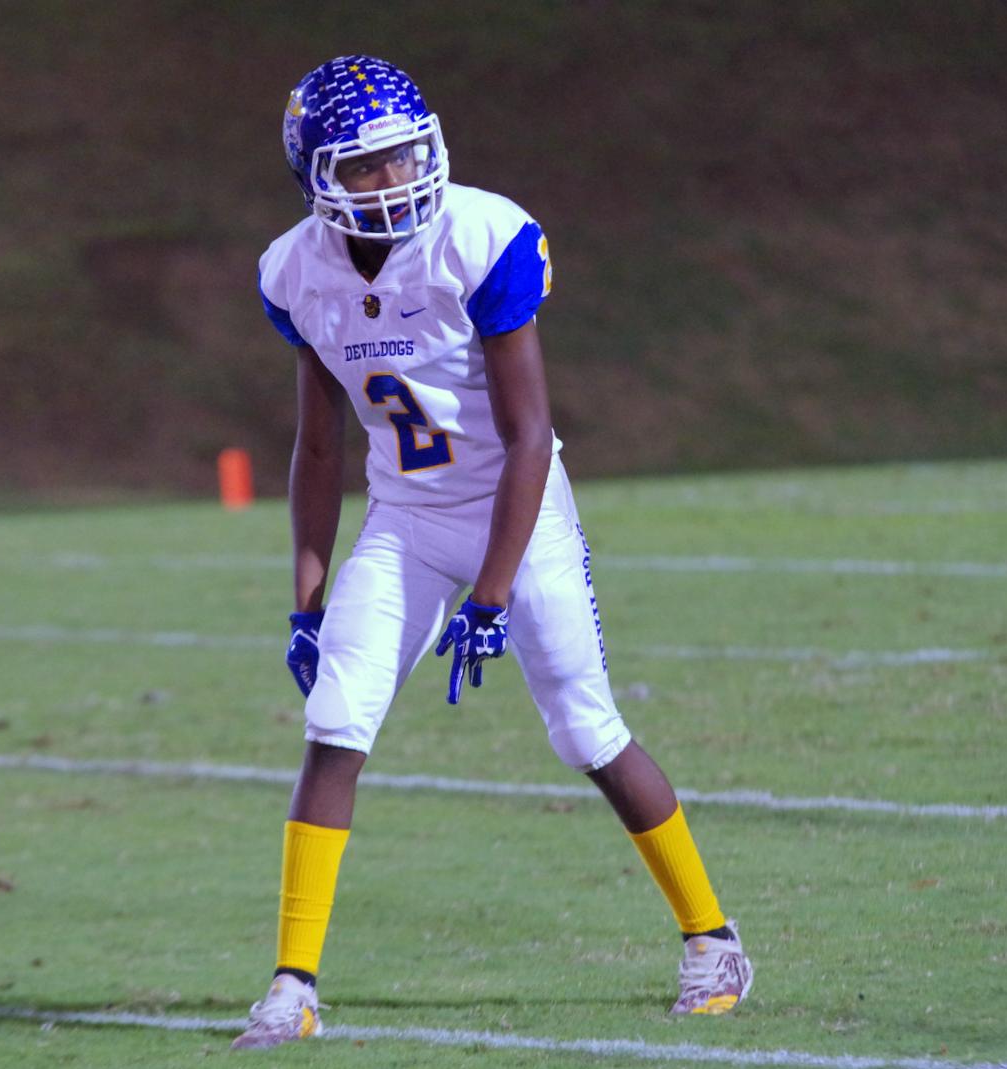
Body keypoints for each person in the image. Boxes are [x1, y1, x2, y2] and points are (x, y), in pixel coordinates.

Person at [231, 55, 753, 1049]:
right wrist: (305, 600)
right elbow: (318, 445)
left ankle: (712, 938)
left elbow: (527, 437)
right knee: (335, 718)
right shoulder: (294, 271)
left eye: (403, 155)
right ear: (316, 177)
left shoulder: (480, 237)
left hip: (518, 509)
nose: (394, 178)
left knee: (585, 728)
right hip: (406, 518)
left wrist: (493, 595)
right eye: (366, 165)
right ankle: (292, 986)